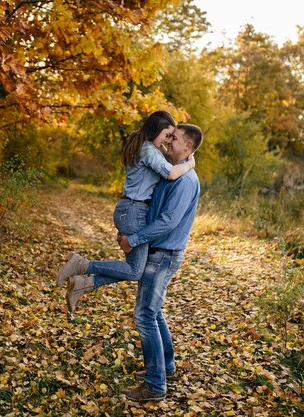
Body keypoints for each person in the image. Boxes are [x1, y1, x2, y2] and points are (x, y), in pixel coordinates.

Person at [56, 111, 195, 316]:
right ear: (155, 131)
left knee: (134, 269)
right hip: (134, 210)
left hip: (133, 210)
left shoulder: (148, 148)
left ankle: (83, 284)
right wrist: (190, 164)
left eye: (171, 137)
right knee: (135, 271)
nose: (167, 141)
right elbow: (173, 173)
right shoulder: (148, 150)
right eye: (167, 135)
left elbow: (168, 162)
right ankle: (83, 265)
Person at [116, 123, 203, 402]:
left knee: (144, 316)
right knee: (154, 313)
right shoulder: (172, 173)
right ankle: (165, 367)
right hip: (158, 251)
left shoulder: (186, 181)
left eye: (174, 139)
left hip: (164, 254)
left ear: (187, 147)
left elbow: (167, 222)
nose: (168, 142)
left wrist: (136, 238)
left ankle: (155, 386)